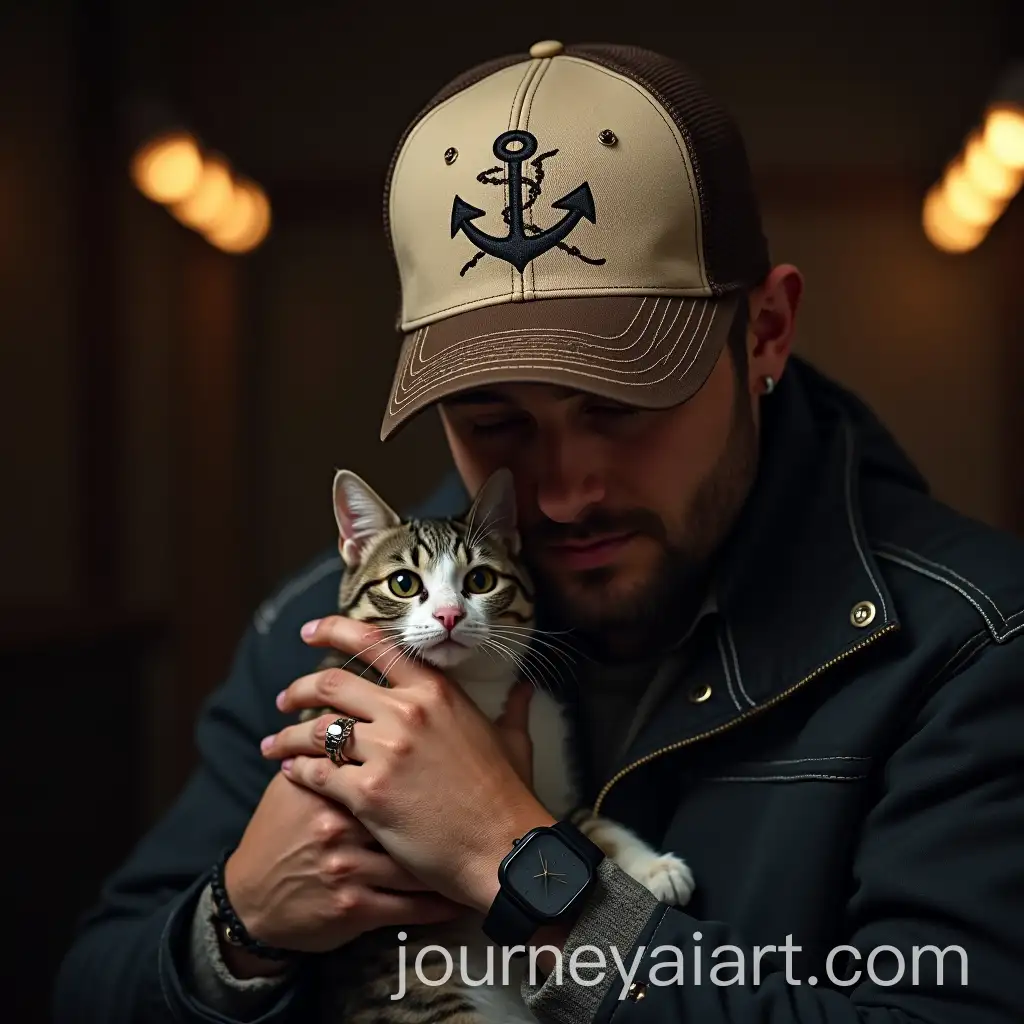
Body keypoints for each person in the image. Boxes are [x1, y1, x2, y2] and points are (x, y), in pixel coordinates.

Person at [53, 39, 1024, 1024]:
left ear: (765, 329)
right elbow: (91, 986)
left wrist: (520, 865)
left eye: (622, 406)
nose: (562, 493)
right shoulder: (322, 637)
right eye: (493, 423)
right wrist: (241, 921)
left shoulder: (969, 644)